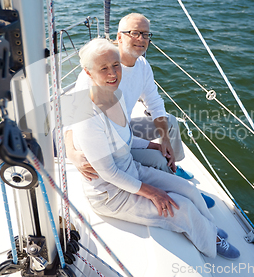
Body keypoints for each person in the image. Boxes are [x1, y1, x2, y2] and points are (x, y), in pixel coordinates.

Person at [68, 38, 240, 260]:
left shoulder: (114, 96)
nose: (113, 73)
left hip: (131, 170)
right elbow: (108, 173)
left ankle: (210, 228)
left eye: (116, 65)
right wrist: (151, 192)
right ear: (89, 73)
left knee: (188, 189)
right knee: (183, 208)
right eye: (104, 68)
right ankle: (211, 242)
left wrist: (153, 144)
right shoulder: (88, 118)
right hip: (111, 194)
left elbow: (126, 139)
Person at [65, 13, 214, 204]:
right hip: (105, 137)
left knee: (170, 122)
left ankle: (174, 164)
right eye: (135, 33)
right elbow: (72, 115)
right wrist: (71, 152)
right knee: (157, 159)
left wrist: (165, 140)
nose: (141, 39)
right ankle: (173, 179)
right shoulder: (98, 71)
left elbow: (154, 101)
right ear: (119, 37)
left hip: (125, 128)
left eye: (145, 34)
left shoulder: (142, 65)